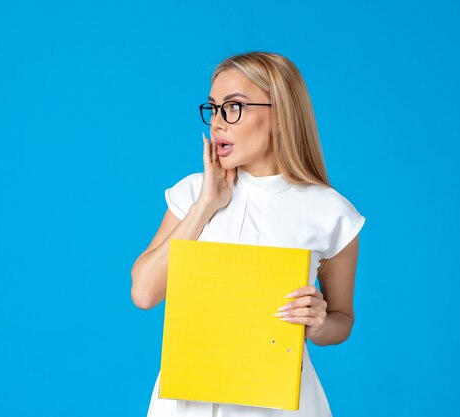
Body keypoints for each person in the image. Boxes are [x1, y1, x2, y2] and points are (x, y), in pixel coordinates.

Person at [130, 51, 366, 417]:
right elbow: (144, 293)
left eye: (234, 107)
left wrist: (317, 324)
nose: (218, 124)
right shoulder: (194, 193)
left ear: (280, 113)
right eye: (213, 108)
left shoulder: (330, 212)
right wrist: (205, 206)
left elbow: (342, 320)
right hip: (185, 401)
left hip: (277, 404)